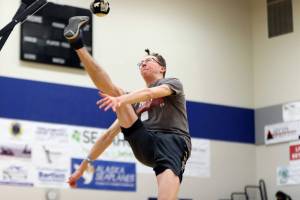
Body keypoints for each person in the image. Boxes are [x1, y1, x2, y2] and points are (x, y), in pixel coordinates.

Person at [64, 16, 191, 200]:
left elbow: (150, 94)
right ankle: (77, 42)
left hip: (172, 143)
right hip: (145, 145)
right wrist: (82, 168)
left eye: (149, 60)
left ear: (162, 68)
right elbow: (107, 136)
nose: (144, 63)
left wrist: (121, 99)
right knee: (114, 91)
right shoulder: (133, 102)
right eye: (141, 62)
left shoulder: (173, 83)